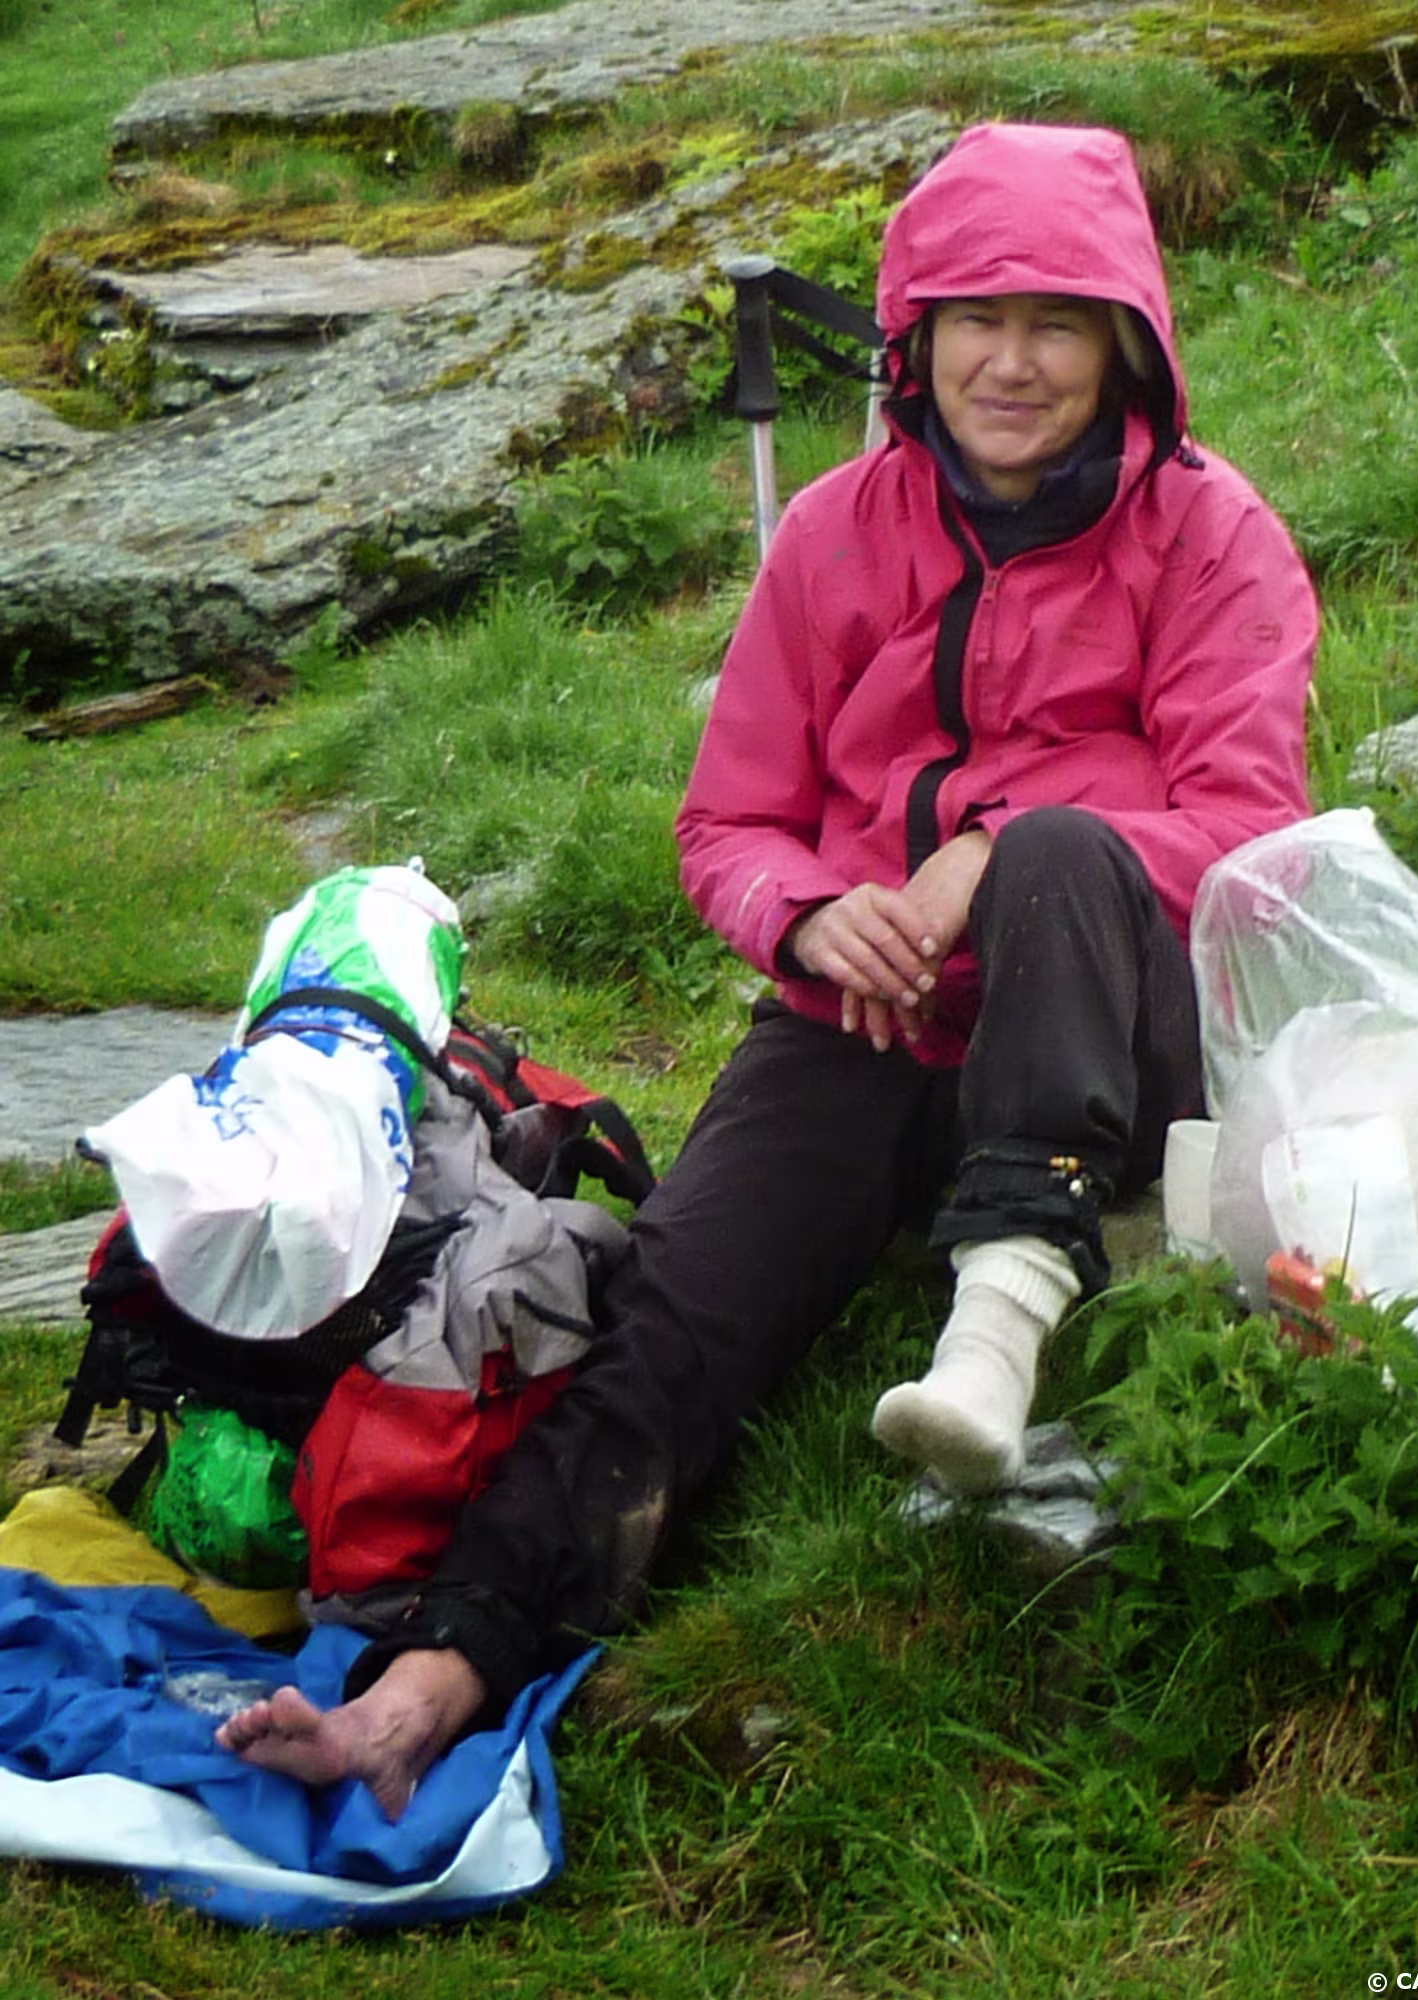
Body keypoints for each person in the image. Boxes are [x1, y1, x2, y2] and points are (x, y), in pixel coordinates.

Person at [217, 119, 1318, 1814]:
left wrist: (991, 853)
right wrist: (807, 916)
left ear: (1129, 346)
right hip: (863, 1021)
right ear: (914, 340)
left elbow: (1252, 830)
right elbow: (726, 822)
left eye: (1060, 323)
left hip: (1115, 1020)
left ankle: (1003, 1320)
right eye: (975, 319)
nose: (1012, 362)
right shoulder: (832, 533)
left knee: (1056, 852)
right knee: (677, 1305)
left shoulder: (1211, 534)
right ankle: (433, 1683)